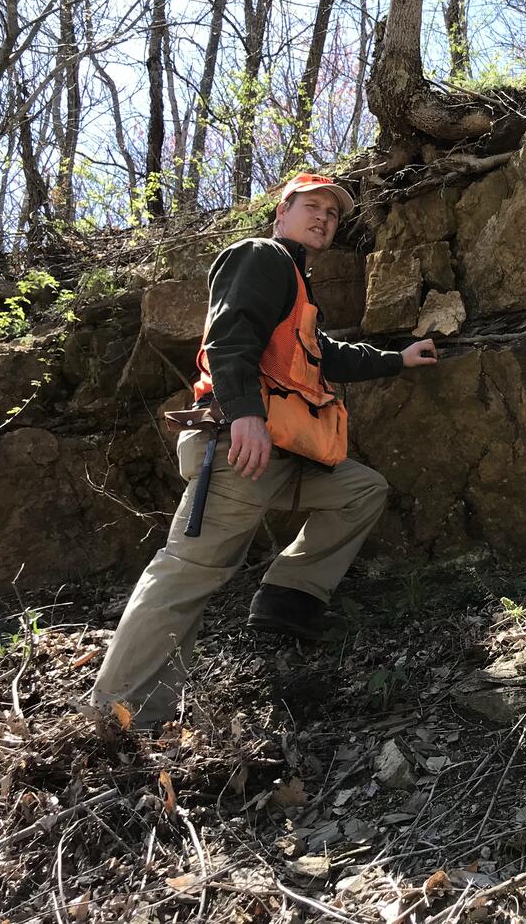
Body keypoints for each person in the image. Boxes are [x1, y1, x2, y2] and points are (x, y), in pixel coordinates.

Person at [90, 172, 437, 728]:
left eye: (332, 212)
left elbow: (326, 356)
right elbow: (229, 337)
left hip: (288, 455)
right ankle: (119, 711)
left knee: (362, 489)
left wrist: (399, 358)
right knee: (188, 571)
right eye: (311, 206)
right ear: (282, 214)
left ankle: (287, 600)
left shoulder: (296, 287)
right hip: (241, 448)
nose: (323, 216)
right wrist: (245, 414)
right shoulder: (261, 256)